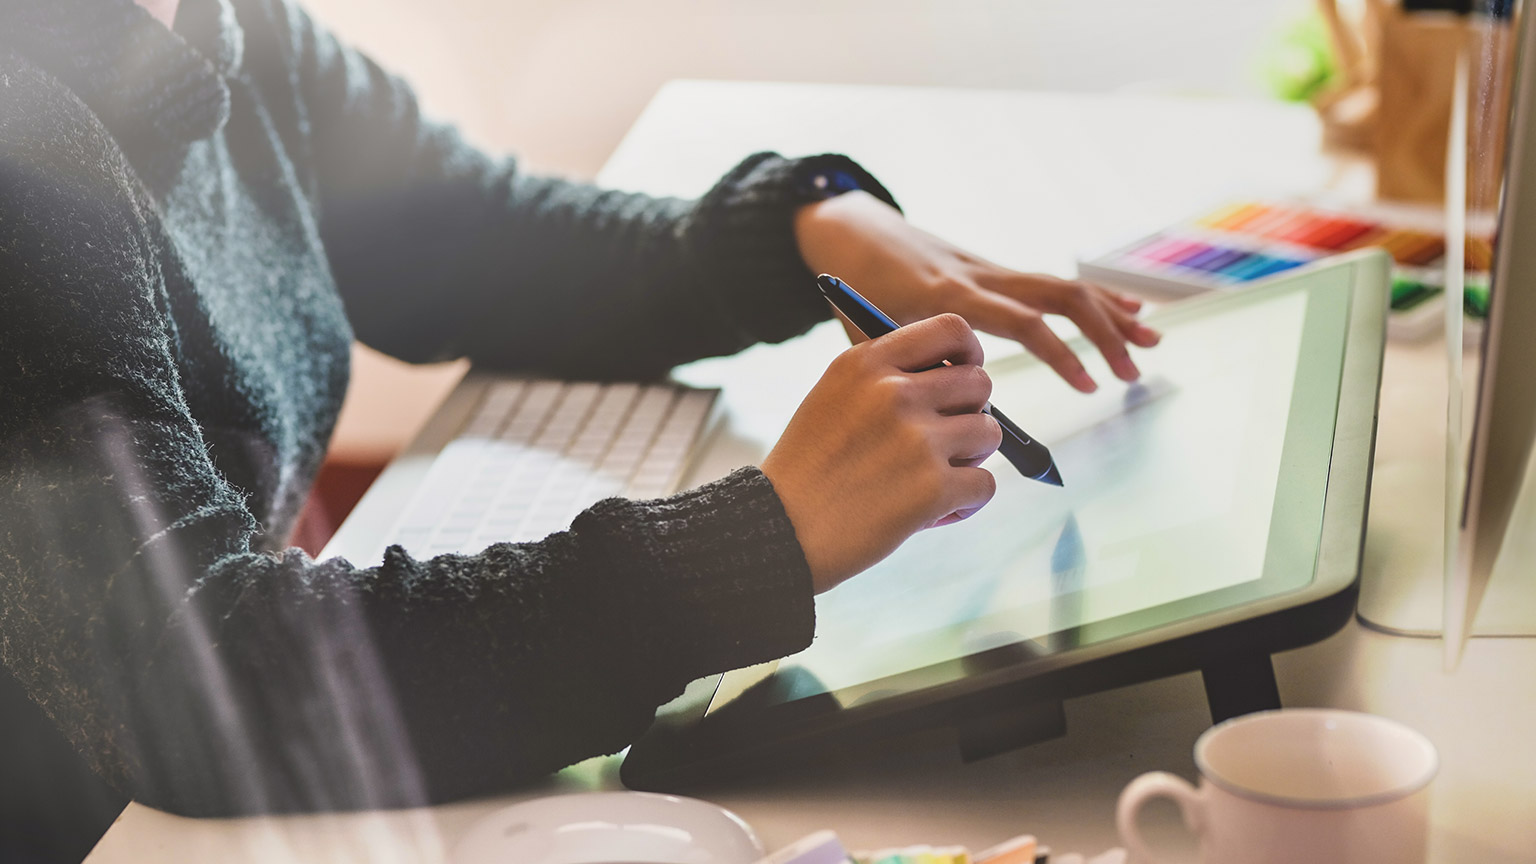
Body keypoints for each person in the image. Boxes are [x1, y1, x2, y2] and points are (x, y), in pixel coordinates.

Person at [0, 0, 1160, 855]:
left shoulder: (216, 29)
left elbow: (470, 236)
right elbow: (204, 682)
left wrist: (798, 231)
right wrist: (765, 539)